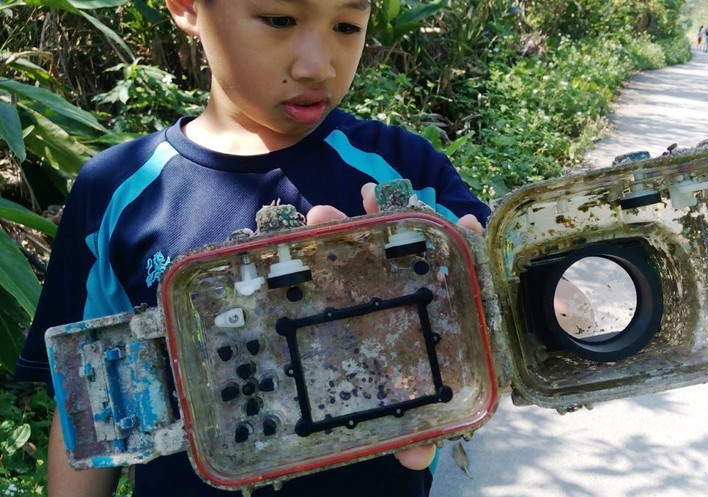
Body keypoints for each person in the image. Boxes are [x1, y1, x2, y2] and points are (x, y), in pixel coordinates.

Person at [13, 1, 490, 496]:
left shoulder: (402, 173)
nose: (317, 65)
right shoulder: (117, 191)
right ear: (186, 7)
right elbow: (95, 403)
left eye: (347, 26)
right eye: (280, 20)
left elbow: (522, 285)